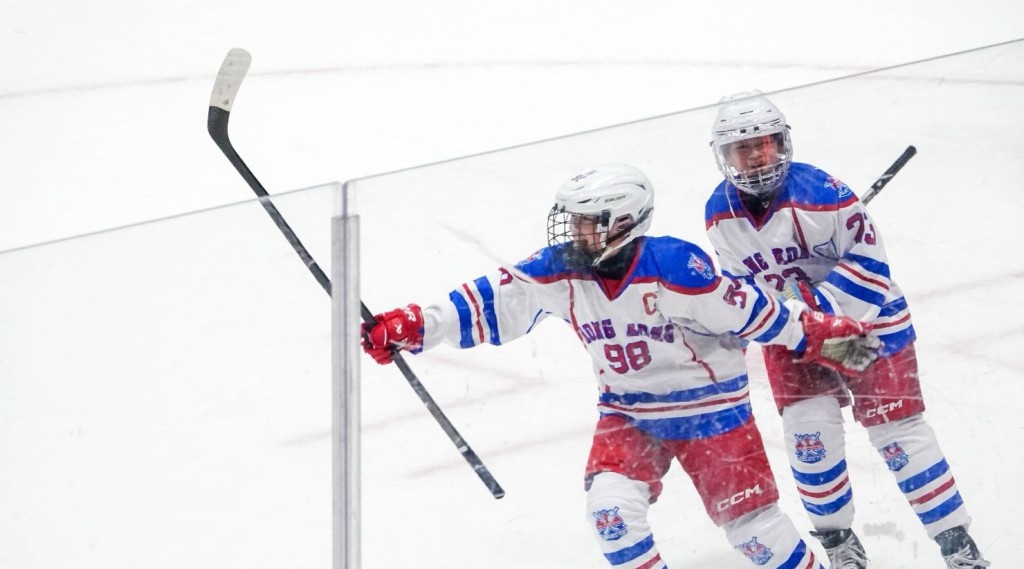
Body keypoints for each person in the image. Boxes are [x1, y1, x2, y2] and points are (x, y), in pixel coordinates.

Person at [362, 163, 882, 569]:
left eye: (587, 222)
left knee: (755, 534)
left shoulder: (677, 267)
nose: (574, 232)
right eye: (574, 221)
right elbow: (489, 301)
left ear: (625, 221)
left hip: (712, 415)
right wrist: (416, 325)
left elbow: (760, 316)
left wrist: (838, 345)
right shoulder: (561, 270)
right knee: (610, 514)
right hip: (629, 416)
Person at [703, 90, 990, 569]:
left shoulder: (825, 194)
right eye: (743, 147)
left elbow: (872, 268)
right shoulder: (718, 213)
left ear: (783, 144)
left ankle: (958, 547)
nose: (756, 155)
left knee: (897, 434)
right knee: (808, 438)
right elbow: (741, 287)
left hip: (862, 331)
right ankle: (842, 550)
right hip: (794, 340)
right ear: (724, 156)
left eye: (766, 143)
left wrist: (814, 305)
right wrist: (769, 315)